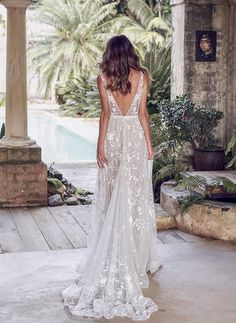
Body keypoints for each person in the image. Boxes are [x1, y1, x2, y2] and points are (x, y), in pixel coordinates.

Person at [61, 34, 163, 321]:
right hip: (134, 139)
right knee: (133, 197)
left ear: (109, 54)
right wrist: (149, 143)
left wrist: (99, 145)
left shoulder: (103, 78)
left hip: (115, 138)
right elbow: (143, 114)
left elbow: (105, 115)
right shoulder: (142, 76)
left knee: (110, 196)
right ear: (130, 52)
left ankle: (115, 252)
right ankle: (133, 255)